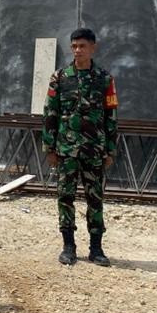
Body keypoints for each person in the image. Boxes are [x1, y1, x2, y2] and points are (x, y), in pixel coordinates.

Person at [42, 28, 118, 267]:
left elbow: (111, 116)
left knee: (95, 199)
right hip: (66, 151)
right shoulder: (60, 77)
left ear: (93, 48)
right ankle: (68, 247)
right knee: (65, 197)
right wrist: (49, 148)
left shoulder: (105, 79)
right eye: (74, 46)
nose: (77, 50)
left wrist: (110, 150)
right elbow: (50, 113)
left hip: (94, 150)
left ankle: (96, 249)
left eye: (82, 46)